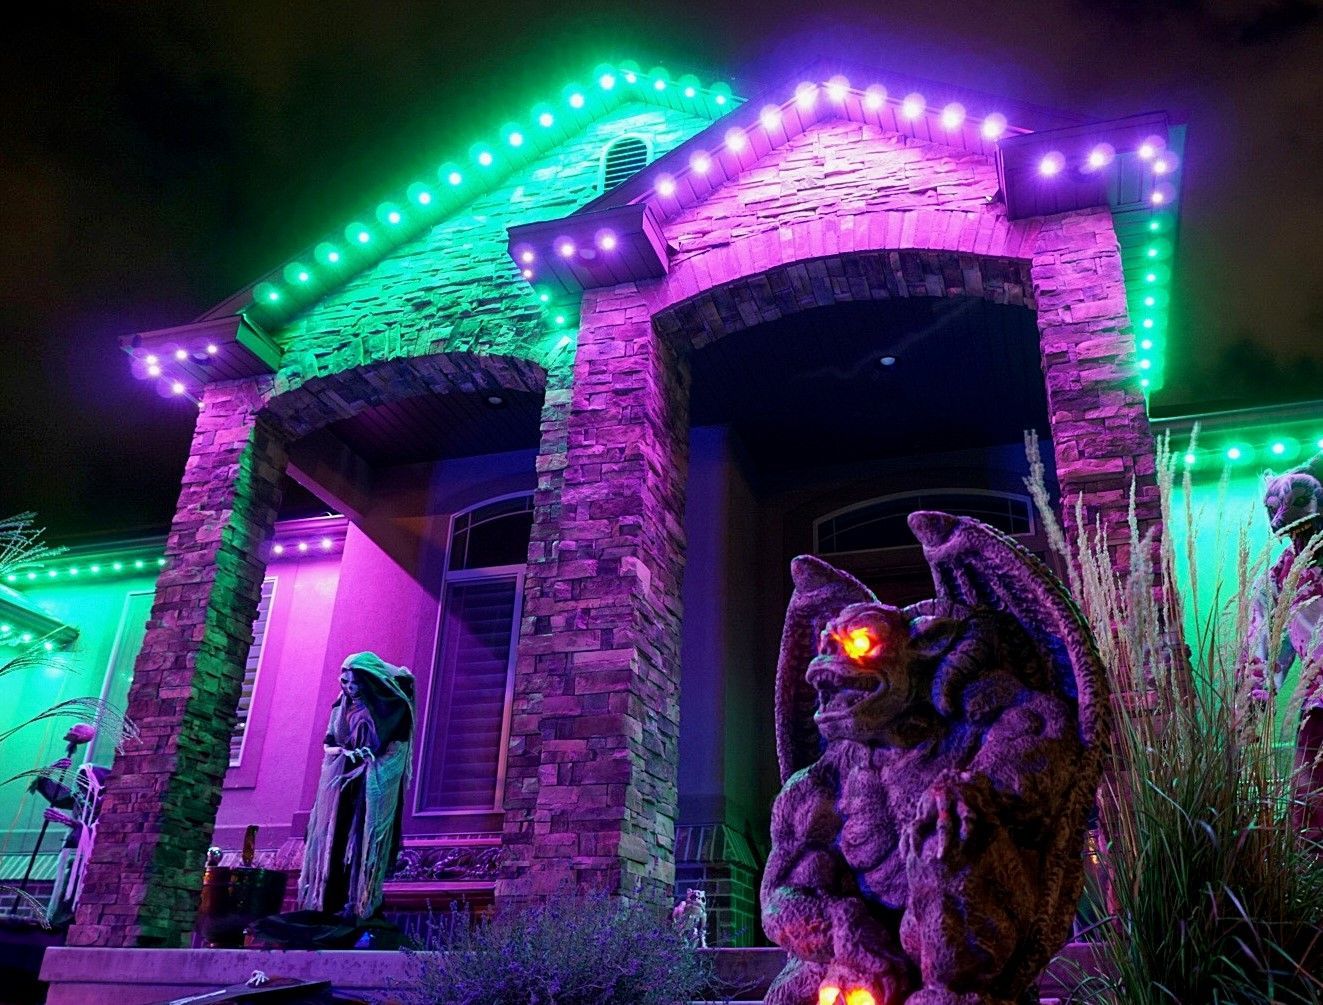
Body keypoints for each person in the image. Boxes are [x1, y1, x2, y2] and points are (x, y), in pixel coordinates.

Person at [297, 652, 415, 921]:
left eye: (355, 683)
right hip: (341, 782)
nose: (350, 689)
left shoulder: (390, 708)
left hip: (370, 782)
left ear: (368, 682)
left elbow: (394, 749)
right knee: (336, 837)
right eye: (346, 683)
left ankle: (360, 903)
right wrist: (341, 751)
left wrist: (368, 758)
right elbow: (329, 742)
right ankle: (329, 902)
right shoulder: (341, 706)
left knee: (361, 837)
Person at [1245, 456, 1323, 842]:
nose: (1282, 525)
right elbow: (1267, 645)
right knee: (1313, 817)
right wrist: (1257, 695)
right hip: (1318, 711)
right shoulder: (1281, 576)